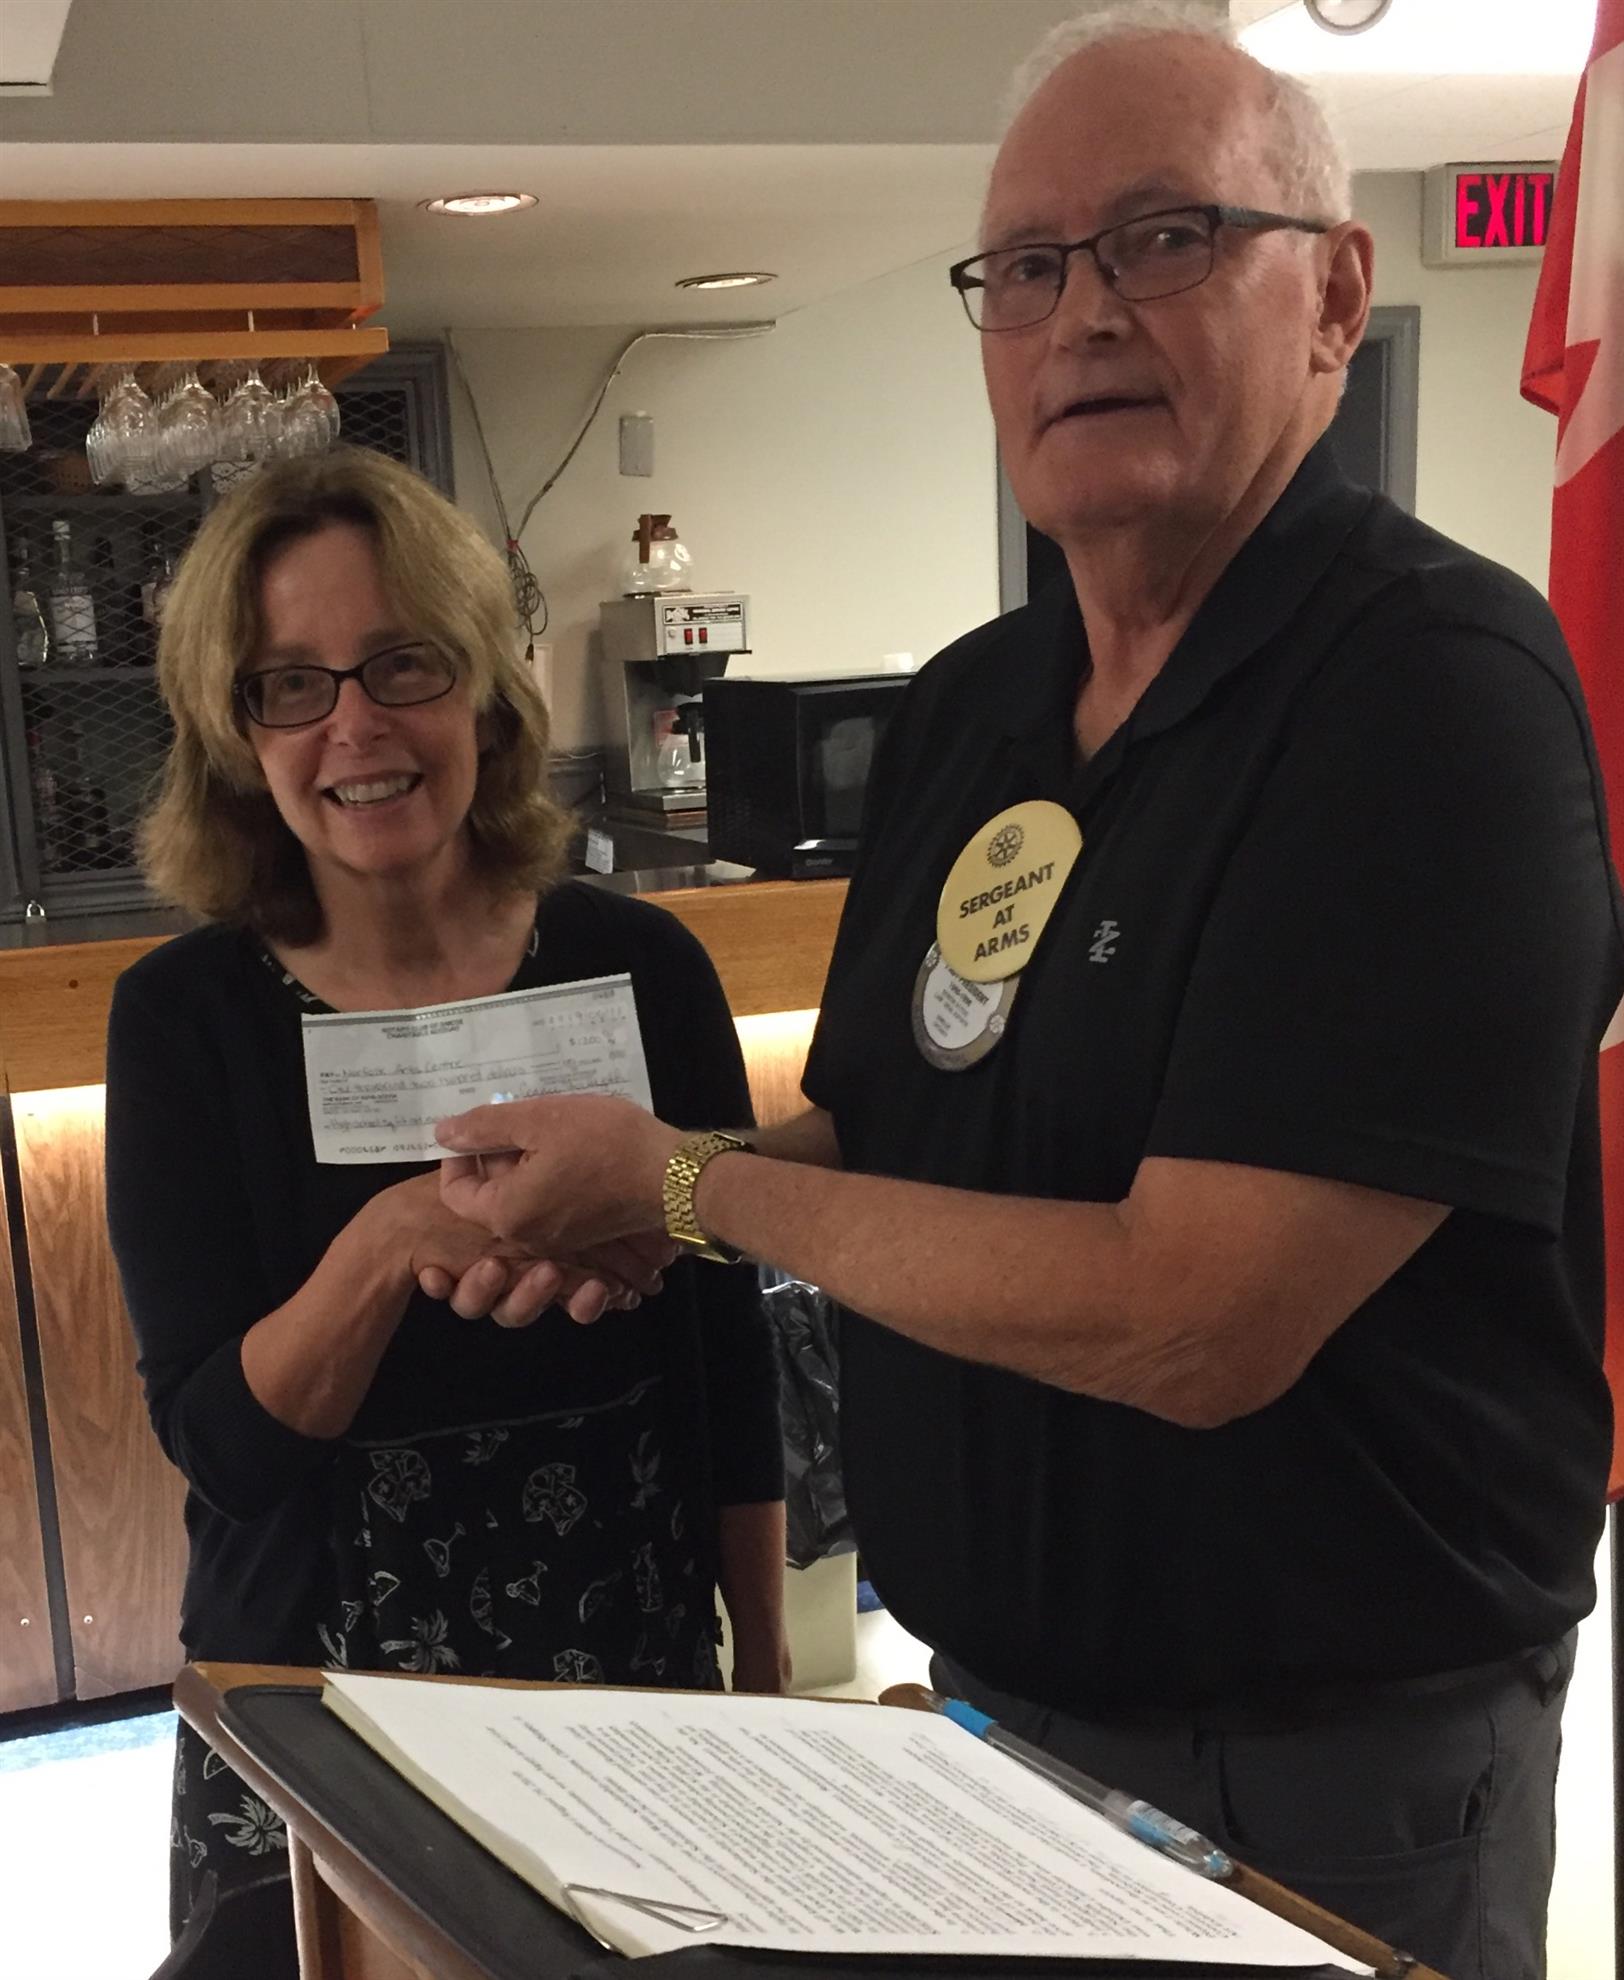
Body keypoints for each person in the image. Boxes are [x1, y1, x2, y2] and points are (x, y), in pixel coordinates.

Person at [423, 7, 1624, 1976]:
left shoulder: (1427, 698)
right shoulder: (973, 707)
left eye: (1164, 237)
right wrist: (647, 1205)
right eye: (1027, 267)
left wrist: (691, 1188)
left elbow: (1195, 1318)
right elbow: (891, 1129)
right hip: (985, 1718)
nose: (1084, 314)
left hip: (1321, 1773)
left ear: (1333, 297)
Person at [104, 447, 787, 1978]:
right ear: (238, 734)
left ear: (481, 685)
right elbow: (223, 1446)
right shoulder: (185, 1019)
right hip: (318, 1693)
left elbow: (726, 1359)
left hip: (628, 1662)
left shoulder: (644, 968)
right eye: (291, 685)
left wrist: (767, 1666)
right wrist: (394, 1240)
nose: (355, 727)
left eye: (400, 662)